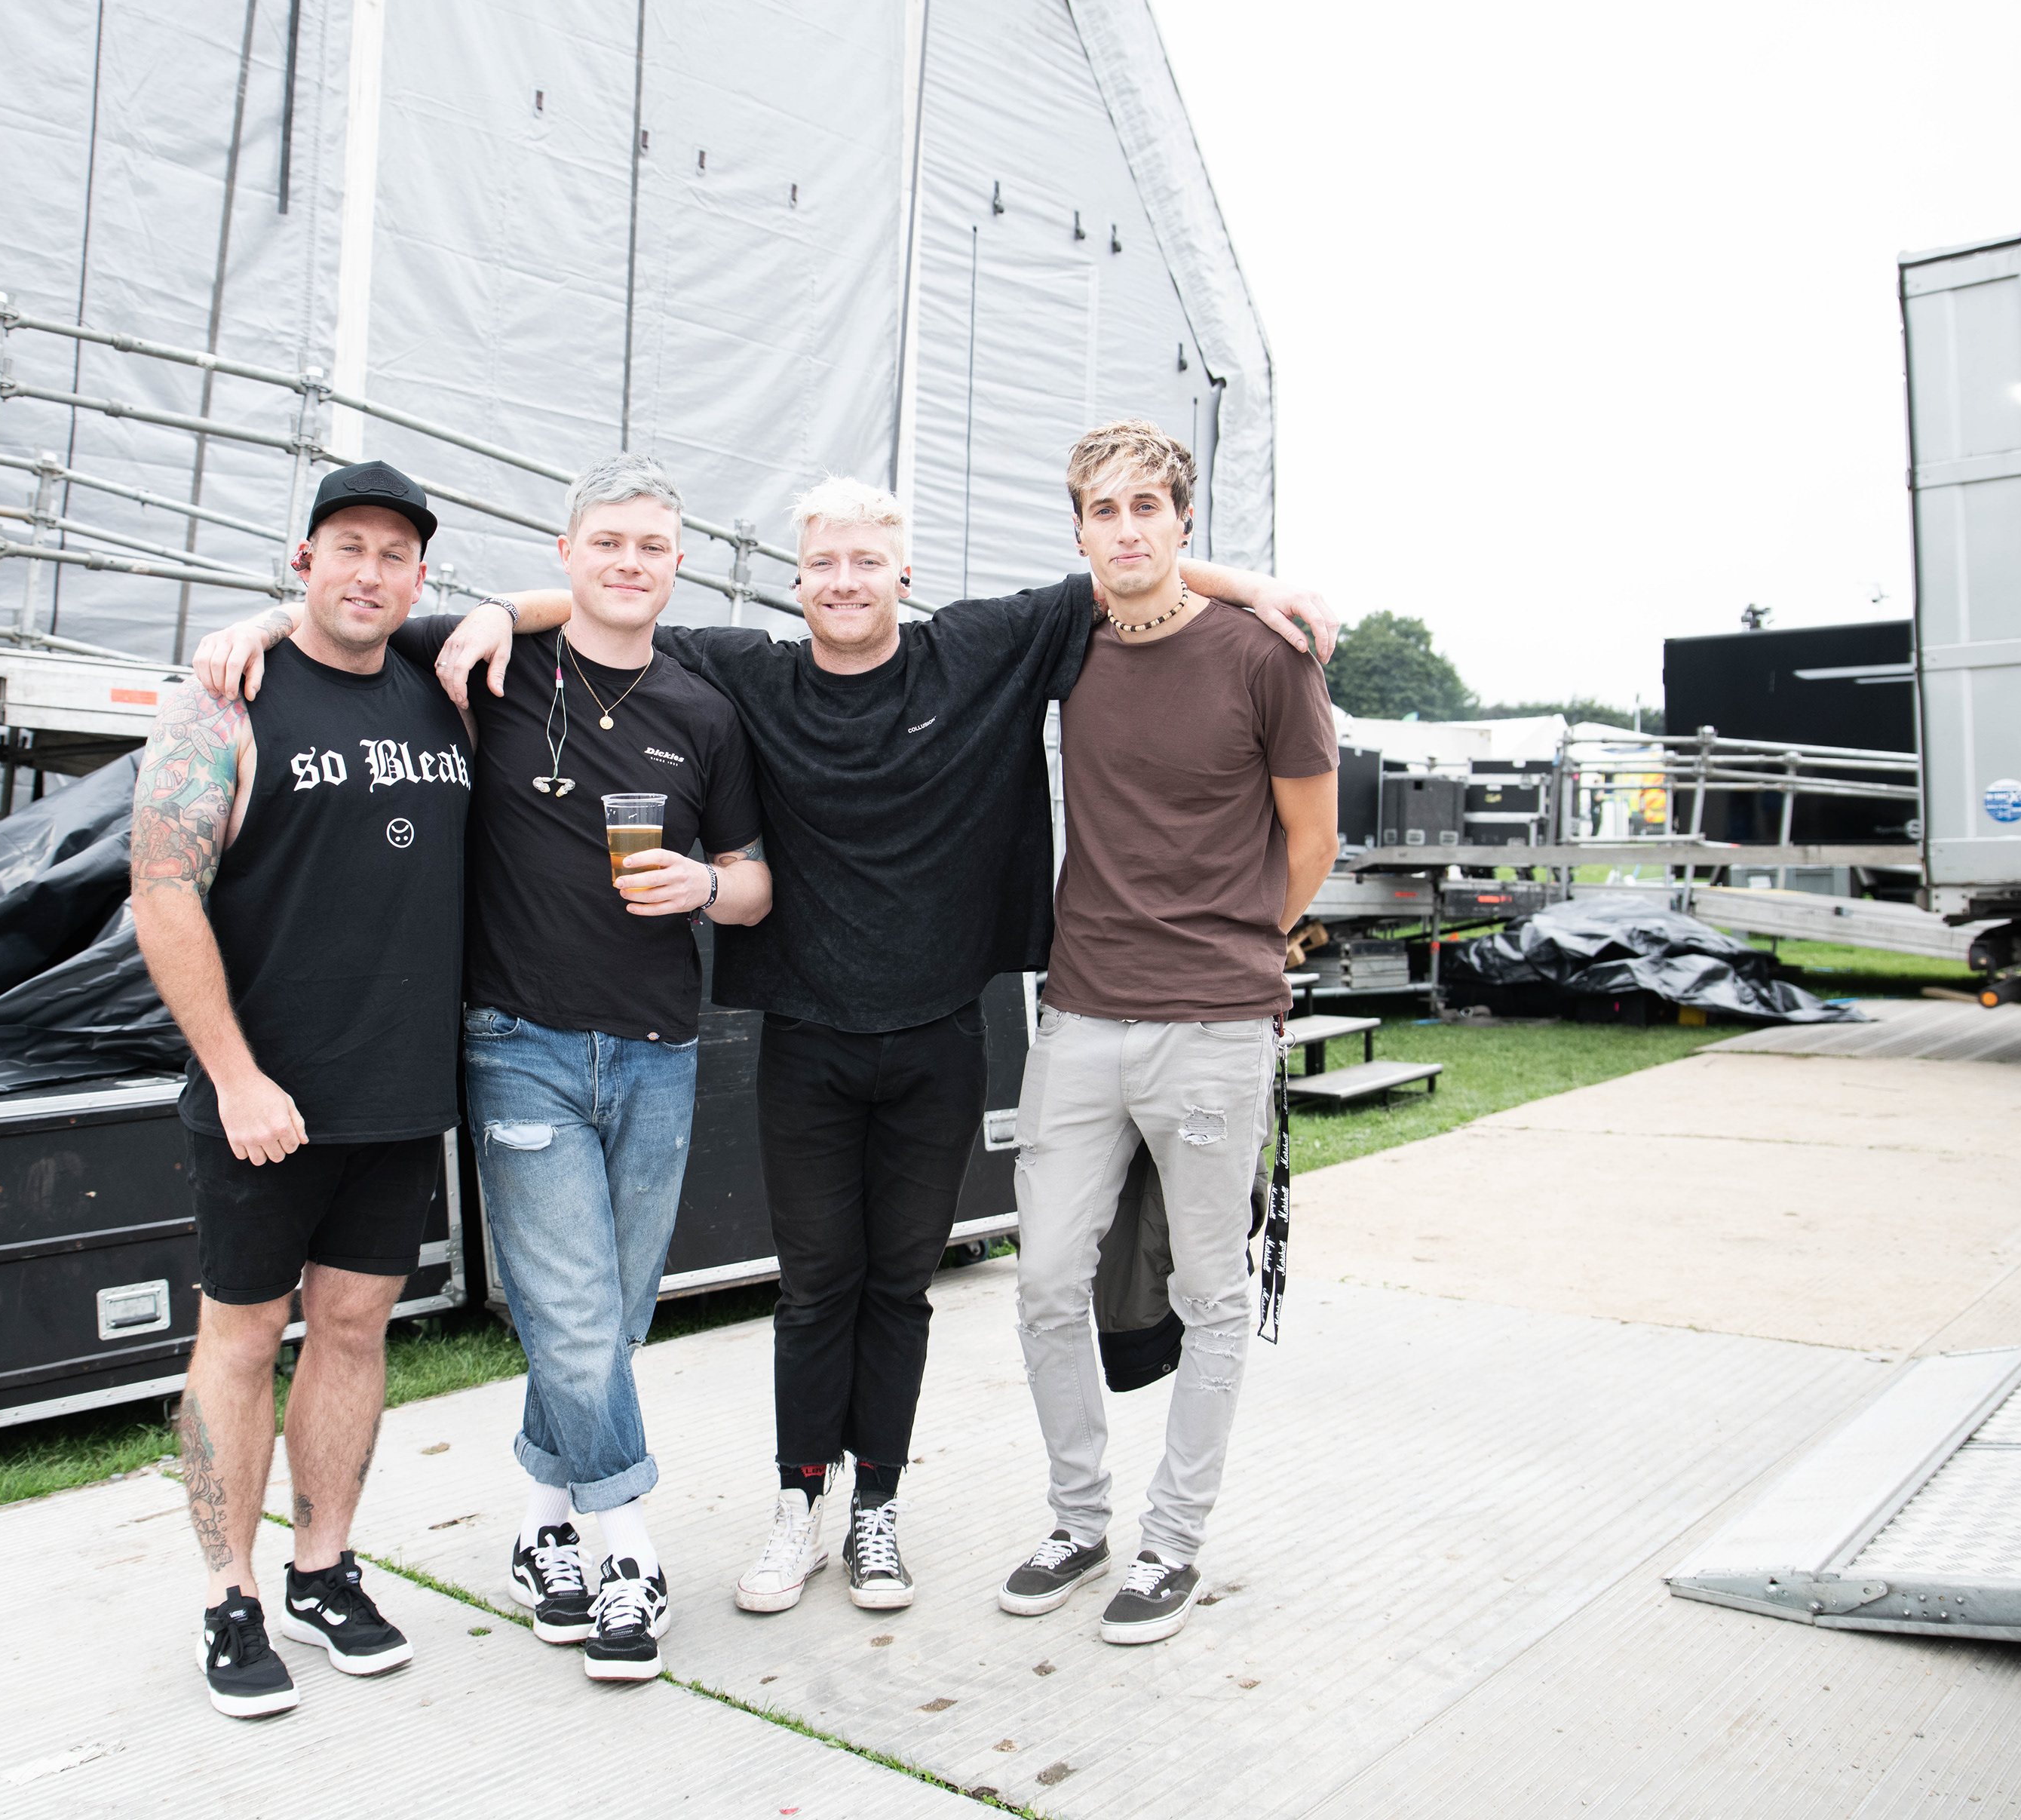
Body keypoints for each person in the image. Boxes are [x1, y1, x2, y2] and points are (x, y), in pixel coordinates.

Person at [196, 472, 1334, 1617]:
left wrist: (1255, 586)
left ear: (902, 573)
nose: (846, 582)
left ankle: (873, 1509)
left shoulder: (976, 650)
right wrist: (334, 620)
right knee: (800, 1293)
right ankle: (782, 1511)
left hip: (936, 1035)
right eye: (824, 563)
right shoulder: (745, 671)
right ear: (795, 581)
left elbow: (1120, 570)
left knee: (892, 1291)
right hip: (792, 1037)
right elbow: (567, 608)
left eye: (867, 561)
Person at [203, 454, 771, 1684]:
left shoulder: (705, 704)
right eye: (606, 541)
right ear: (564, 554)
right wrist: (255, 627)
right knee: (573, 1313)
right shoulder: (481, 661)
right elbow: (342, 619)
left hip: (659, 1051)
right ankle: (626, 1549)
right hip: (518, 1046)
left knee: (610, 1317)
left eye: (653, 546)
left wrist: (705, 887)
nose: (629, 563)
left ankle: (542, 1526)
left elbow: (755, 882)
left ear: (679, 564)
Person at [130, 459, 471, 1720]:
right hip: (262, 1098)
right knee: (238, 1338)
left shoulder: (444, 683)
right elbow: (161, 894)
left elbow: (576, 597)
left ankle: (323, 1571)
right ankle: (230, 1598)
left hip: (398, 1089)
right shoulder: (222, 702)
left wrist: (492, 616)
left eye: (396, 553)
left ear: (421, 576)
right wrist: (234, 1076)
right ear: (304, 559)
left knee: (354, 1330)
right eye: (348, 547)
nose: (370, 572)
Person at [994, 420, 1338, 1645]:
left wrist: (1235, 946)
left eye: (1150, 506)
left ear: (1185, 521)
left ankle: (1173, 1542)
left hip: (1214, 1023)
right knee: (1046, 1279)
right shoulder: (1068, 644)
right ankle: (1078, 1521)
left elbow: (1313, 841)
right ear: (1080, 529)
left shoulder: (1265, 658)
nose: (1128, 527)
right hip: (1079, 1013)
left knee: (1208, 1287)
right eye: (1106, 509)